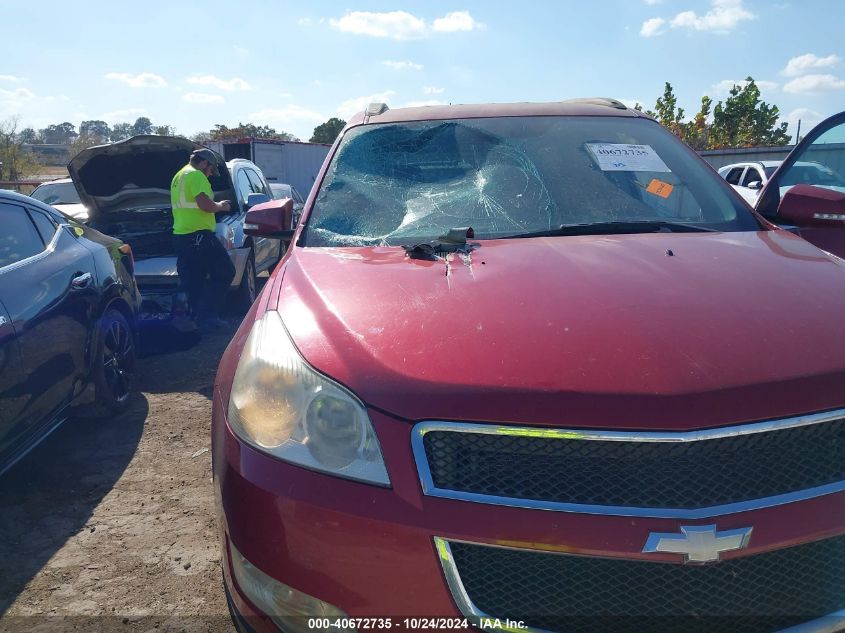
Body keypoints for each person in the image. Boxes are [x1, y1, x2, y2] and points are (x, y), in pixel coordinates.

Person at [171, 148, 234, 330]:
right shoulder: (196, 176)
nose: (211, 174)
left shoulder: (179, 176)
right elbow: (205, 205)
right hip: (199, 236)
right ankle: (207, 316)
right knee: (225, 271)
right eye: (211, 169)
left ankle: (185, 319)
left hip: (181, 235)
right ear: (204, 163)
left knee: (191, 279)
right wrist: (221, 206)